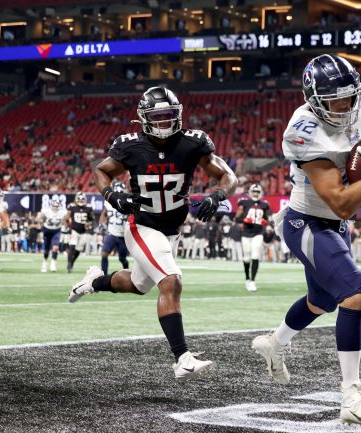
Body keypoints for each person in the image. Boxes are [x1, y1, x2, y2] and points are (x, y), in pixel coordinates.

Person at [251, 54, 361, 427]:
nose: (345, 106)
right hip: (307, 222)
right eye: (336, 101)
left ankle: (275, 343)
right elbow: (342, 204)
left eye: (350, 98)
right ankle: (351, 396)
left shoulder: (351, 101)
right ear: (315, 100)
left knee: (320, 301)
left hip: (333, 226)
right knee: (355, 293)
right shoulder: (303, 130)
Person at [68, 86, 237, 379]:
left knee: (138, 284)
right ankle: (182, 358)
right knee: (171, 282)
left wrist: (217, 196)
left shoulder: (193, 142)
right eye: (157, 117)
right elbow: (101, 170)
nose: (164, 123)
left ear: (179, 115)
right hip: (143, 225)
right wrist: (111, 195)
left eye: (169, 116)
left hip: (171, 229)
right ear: (144, 118)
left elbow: (227, 175)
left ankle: (95, 281)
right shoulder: (130, 145)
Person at [236, 184, 270, 292]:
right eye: (254, 192)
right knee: (246, 258)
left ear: (260, 193)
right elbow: (237, 218)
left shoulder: (264, 205)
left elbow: (267, 218)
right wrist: (244, 220)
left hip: (258, 233)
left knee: (255, 255)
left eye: (257, 192)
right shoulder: (244, 203)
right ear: (251, 192)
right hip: (246, 233)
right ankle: (247, 278)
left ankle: (252, 281)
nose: (255, 194)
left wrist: (266, 222)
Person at [98, 182, 130, 275]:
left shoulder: (128, 202)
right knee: (104, 253)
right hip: (112, 233)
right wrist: (101, 224)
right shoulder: (108, 203)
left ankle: (127, 269)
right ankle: (104, 274)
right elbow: (104, 213)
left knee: (122, 258)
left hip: (123, 235)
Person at [64, 192, 95, 273]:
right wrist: (68, 226)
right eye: (79, 199)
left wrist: (89, 223)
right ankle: (69, 264)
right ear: (76, 199)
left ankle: (72, 262)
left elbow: (92, 219)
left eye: (82, 199)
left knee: (79, 249)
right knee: (72, 246)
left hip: (84, 232)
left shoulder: (89, 207)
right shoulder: (72, 206)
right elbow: (67, 217)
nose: (81, 200)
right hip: (74, 230)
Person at [38, 198, 67, 272]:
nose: (55, 209)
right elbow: (40, 219)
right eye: (54, 207)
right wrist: (40, 222)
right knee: (47, 249)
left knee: (55, 247)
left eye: (56, 207)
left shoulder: (62, 212)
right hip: (47, 230)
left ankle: (53, 263)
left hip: (56, 230)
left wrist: (66, 223)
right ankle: (44, 262)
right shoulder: (46, 211)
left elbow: (65, 220)